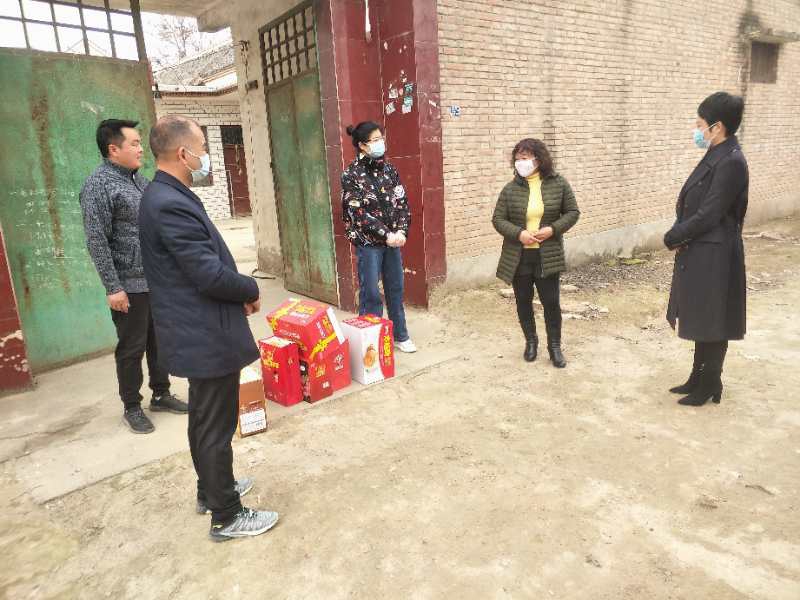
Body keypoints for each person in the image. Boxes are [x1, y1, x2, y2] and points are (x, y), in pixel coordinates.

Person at [139, 115, 278, 542]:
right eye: (203, 148)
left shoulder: (168, 194)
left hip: (198, 328)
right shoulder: (168, 202)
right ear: (183, 154)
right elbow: (207, 273)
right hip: (204, 332)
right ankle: (227, 515)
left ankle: (212, 489)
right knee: (215, 425)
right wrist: (249, 287)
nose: (207, 156)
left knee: (204, 419)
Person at [80, 119, 187, 434]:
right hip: (128, 284)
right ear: (114, 149)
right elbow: (96, 240)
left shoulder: (139, 180)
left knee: (160, 340)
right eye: (135, 144)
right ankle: (131, 406)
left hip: (156, 279)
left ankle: (161, 393)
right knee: (131, 348)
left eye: (141, 143)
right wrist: (113, 287)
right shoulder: (98, 185)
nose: (141, 149)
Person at [664, 92, 748, 407]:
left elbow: (710, 213)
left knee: (714, 318)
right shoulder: (718, 152)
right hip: (702, 248)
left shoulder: (732, 161)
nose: (697, 130)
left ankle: (711, 382)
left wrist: (674, 235)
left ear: (717, 127)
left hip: (717, 252)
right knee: (702, 314)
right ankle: (698, 377)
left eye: (700, 125)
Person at [492, 138, 580, 367]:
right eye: (517, 159)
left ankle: (555, 347)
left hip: (546, 255)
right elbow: (498, 219)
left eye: (525, 158)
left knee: (551, 302)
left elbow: (572, 212)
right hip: (519, 256)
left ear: (538, 160)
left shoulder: (558, 184)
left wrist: (553, 229)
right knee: (523, 301)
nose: (520, 163)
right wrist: (519, 233)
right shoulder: (510, 189)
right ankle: (531, 342)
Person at [341, 121, 416, 353]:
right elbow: (357, 213)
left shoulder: (390, 170)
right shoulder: (351, 175)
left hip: (393, 241)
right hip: (369, 244)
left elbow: (402, 203)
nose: (380, 143)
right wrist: (386, 234)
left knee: (395, 288)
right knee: (371, 292)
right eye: (374, 140)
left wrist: (401, 231)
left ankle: (400, 335)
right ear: (362, 145)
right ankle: (370, 342)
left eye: (381, 138)